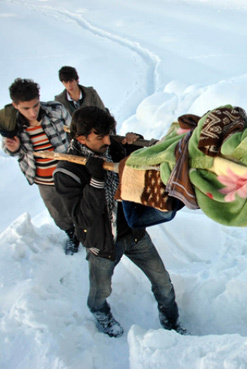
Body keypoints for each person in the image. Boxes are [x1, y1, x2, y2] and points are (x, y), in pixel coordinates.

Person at [53, 106, 186, 338]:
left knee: (163, 282)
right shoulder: (66, 172)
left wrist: (133, 144)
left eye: (108, 133)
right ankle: (100, 312)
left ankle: (171, 320)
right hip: (102, 244)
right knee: (100, 291)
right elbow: (83, 218)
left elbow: (133, 165)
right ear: (81, 138)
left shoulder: (112, 148)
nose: (107, 140)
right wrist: (96, 180)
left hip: (134, 234)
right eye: (99, 136)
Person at [1, 78, 79, 255]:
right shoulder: (11, 123)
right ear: (15, 105)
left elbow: (76, 130)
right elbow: (10, 149)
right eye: (26, 108)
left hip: (68, 171)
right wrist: (13, 148)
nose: (32, 112)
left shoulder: (55, 110)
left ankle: (88, 234)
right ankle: (72, 235)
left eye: (35, 106)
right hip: (43, 178)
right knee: (58, 212)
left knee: (80, 203)